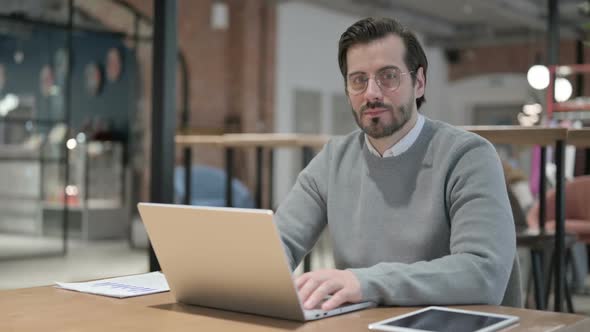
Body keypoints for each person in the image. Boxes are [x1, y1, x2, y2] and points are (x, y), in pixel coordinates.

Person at [274, 17, 522, 311]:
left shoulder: (468, 156)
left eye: (388, 76)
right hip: (363, 325)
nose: (372, 93)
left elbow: (484, 274)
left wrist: (366, 282)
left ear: (419, 83)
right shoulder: (332, 160)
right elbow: (278, 245)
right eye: (358, 80)